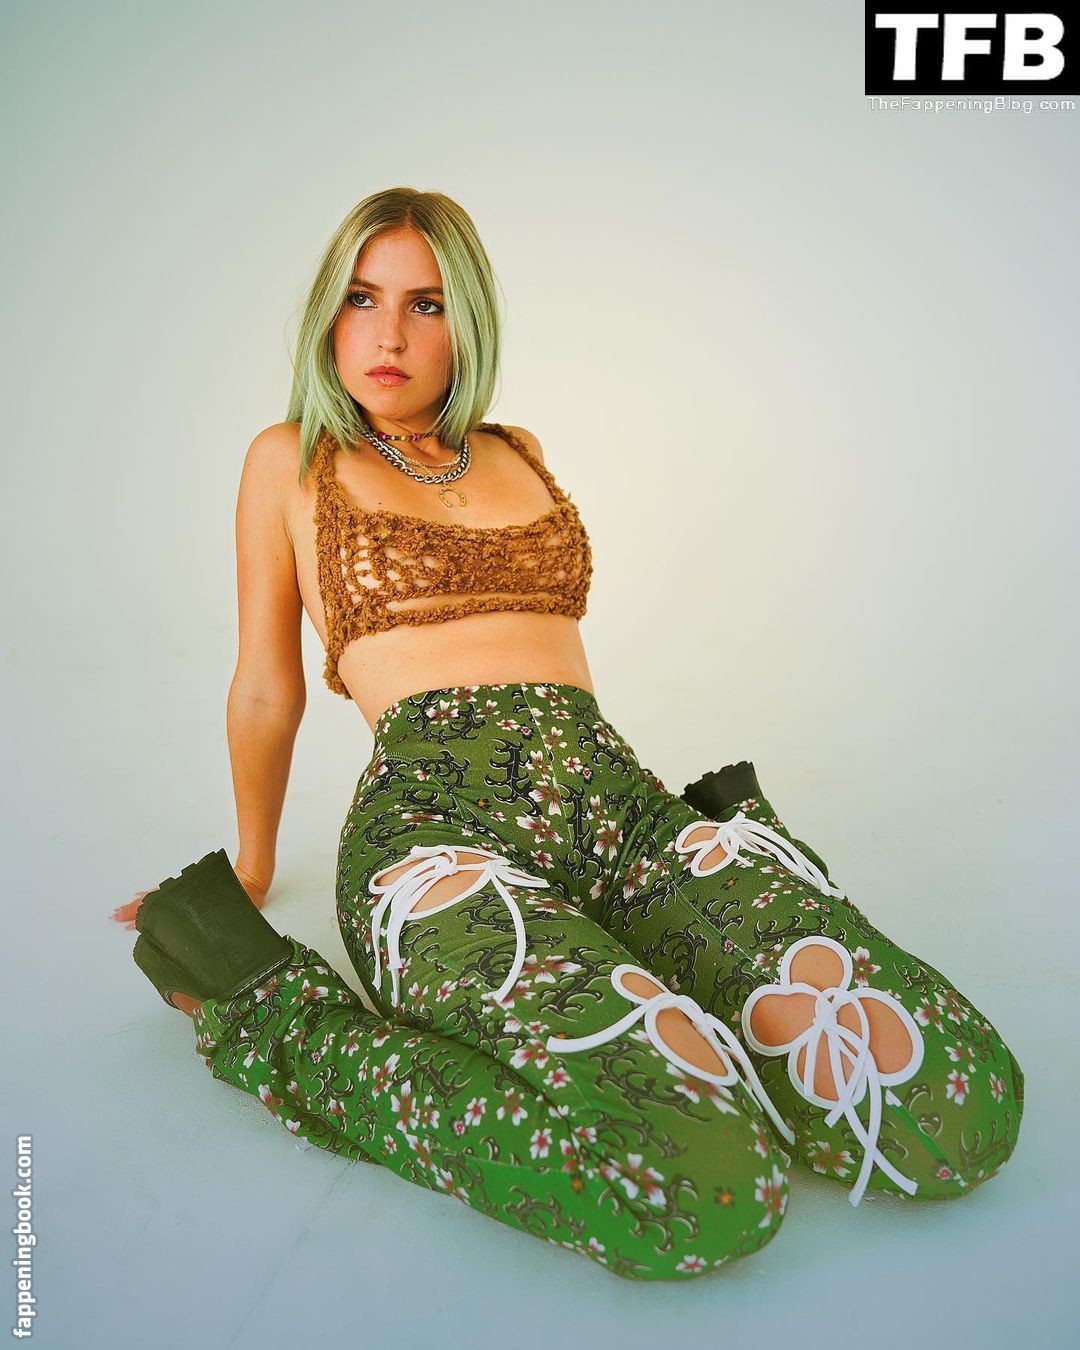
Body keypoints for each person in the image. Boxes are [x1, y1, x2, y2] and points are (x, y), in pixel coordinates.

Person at [112, 187, 1024, 1282]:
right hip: (437, 839)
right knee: (706, 1190)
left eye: (425, 304)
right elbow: (267, 688)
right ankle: (272, 1014)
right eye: (361, 299)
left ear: (468, 323)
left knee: (958, 1109)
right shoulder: (290, 460)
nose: (389, 334)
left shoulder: (518, 448)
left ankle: (706, 955)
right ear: (327, 315)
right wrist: (256, 865)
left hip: (620, 812)